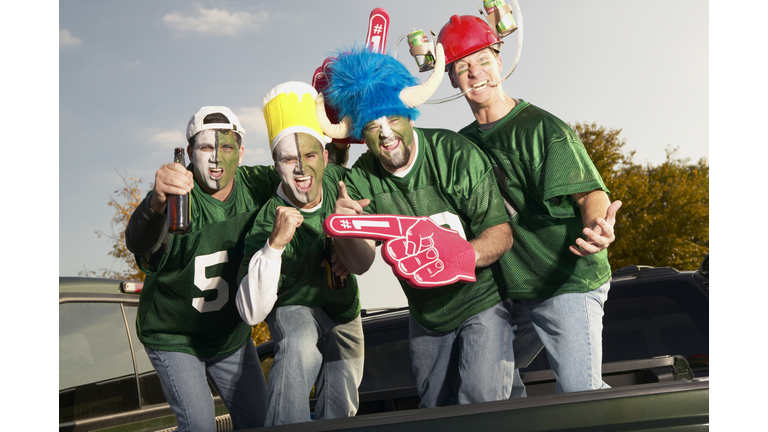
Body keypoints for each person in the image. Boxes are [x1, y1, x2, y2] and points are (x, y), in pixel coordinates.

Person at [319, 44, 517, 408]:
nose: (386, 134)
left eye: (392, 119)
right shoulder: (362, 177)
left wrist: (460, 253)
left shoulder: (454, 153)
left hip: (481, 301)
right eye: (373, 127)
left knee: (481, 401)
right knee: (435, 413)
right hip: (426, 315)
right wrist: (345, 227)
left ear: (410, 116)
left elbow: (500, 233)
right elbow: (360, 263)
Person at [437, 15, 623, 393]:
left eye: (483, 60)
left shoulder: (543, 128)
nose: (476, 74)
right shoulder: (459, 146)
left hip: (565, 278)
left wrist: (599, 227)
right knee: (482, 384)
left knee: (580, 394)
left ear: (500, 62)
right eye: (462, 67)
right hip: (513, 289)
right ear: (453, 80)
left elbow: (589, 193)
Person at [125, 106, 280, 431]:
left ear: (241, 151)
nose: (215, 158)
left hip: (228, 336)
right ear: (190, 154)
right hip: (174, 334)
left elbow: (306, 178)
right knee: (199, 425)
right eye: (206, 147)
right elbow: (139, 245)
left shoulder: (258, 183)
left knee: (261, 421)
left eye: (225, 147)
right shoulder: (178, 197)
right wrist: (155, 203)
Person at [236, 81, 374, 426]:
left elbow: (377, 240)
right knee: (297, 347)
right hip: (296, 304)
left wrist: (355, 227)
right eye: (288, 158)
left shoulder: (344, 184)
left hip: (343, 308)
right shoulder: (268, 218)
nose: (300, 169)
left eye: (310, 155)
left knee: (342, 399)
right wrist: (275, 244)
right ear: (275, 163)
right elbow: (251, 312)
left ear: (326, 157)